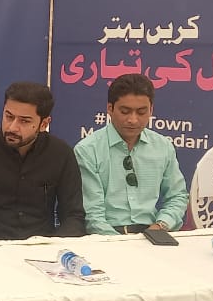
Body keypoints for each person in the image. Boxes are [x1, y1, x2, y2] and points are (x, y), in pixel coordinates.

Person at [0, 82, 86, 242]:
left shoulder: (61, 154)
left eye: (24, 121)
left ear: (44, 124)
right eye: (9, 117)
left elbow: (73, 216)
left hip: (41, 248)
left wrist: (54, 248)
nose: (12, 127)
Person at [72, 73, 188, 235]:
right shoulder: (88, 150)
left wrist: (160, 226)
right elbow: (93, 216)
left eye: (141, 112)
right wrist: (123, 244)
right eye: (125, 111)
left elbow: (177, 196)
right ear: (110, 109)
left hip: (153, 233)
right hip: (107, 237)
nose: (133, 120)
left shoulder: (163, 146)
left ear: (151, 110)